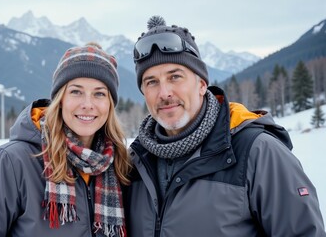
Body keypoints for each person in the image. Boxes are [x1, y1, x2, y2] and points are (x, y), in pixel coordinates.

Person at [125, 16, 326, 236]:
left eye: (175, 77)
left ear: (202, 85)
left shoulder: (257, 152)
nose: (164, 93)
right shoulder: (134, 163)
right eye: (152, 82)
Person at [0, 43, 131, 237]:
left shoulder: (119, 166)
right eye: (76, 91)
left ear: (110, 104)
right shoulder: (10, 163)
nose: (87, 104)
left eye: (99, 93)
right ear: (60, 99)